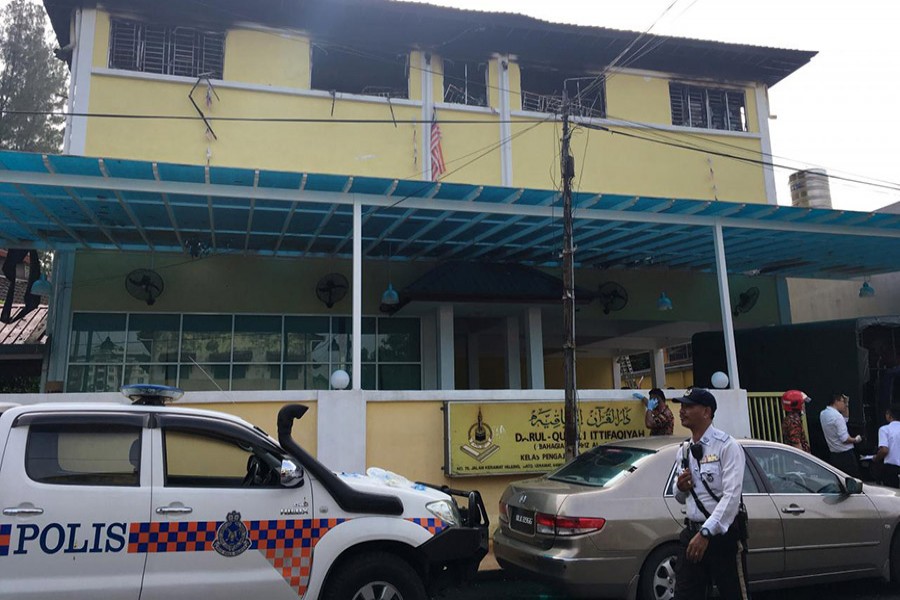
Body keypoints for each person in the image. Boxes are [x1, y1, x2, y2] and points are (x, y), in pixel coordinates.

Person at [672, 387, 750, 600]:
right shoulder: (684, 450)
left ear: (706, 412)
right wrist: (681, 487)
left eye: (689, 406)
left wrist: (706, 533)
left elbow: (731, 497)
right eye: (682, 406)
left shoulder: (727, 446)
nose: (682, 411)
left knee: (733, 594)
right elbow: (679, 497)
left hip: (721, 537)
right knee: (685, 595)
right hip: (692, 534)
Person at [819, 393, 862, 477]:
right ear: (836, 401)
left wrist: (846, 404)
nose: (844, 404)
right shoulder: (837, 417)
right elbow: (844, 439)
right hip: (846, 455)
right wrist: (856, 439)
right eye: (843, 402)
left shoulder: (823, 414)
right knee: (853, 479)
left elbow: (845, 419)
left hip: (834, 453)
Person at [874, 405, 900, 488]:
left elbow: (884, 450)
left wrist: (876, 458)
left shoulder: (885, 429)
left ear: (889, 415)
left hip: (892, 468)